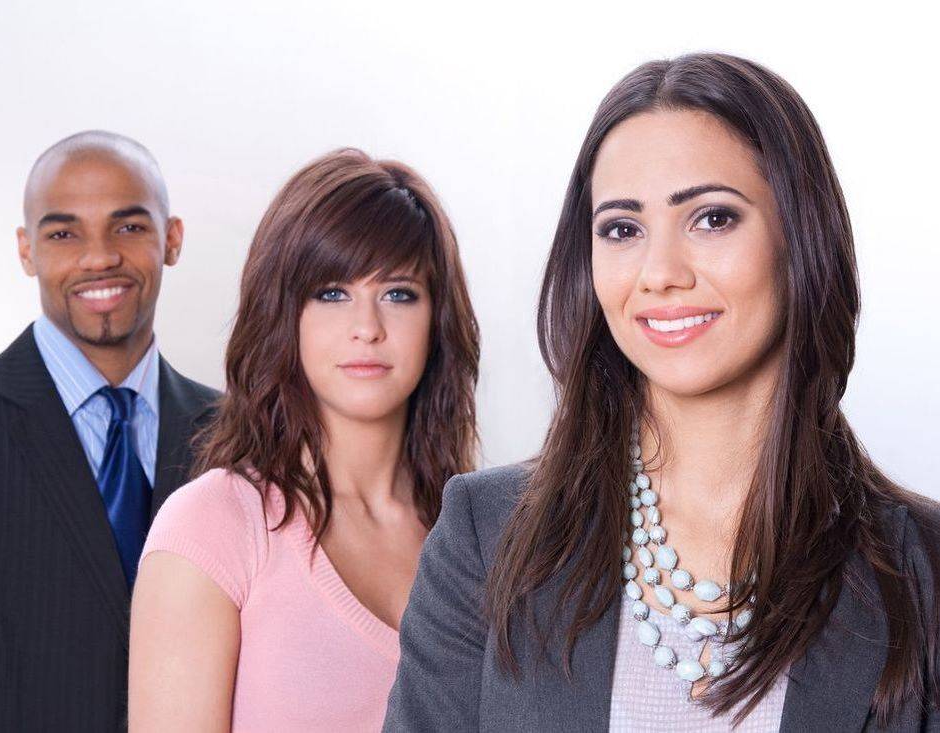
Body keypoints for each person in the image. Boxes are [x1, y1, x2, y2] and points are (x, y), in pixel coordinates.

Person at [384, 53, 940, 731]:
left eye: (711, 218)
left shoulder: (923, 569)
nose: (659, 272)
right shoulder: (484, 537)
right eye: (622, 229)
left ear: (799, 236)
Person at [128, 148, 480, 732]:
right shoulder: (213, 526)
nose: (367, 327)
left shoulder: (476, 535)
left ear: (437, 319)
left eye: (399, 294)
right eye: (332, 293)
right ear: (283, 313)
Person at [0, 130, 218, 732]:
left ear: (171, 239)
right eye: (63, 233)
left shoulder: (242, 437)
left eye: (128, 227)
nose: (98, 257)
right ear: (26, 251)